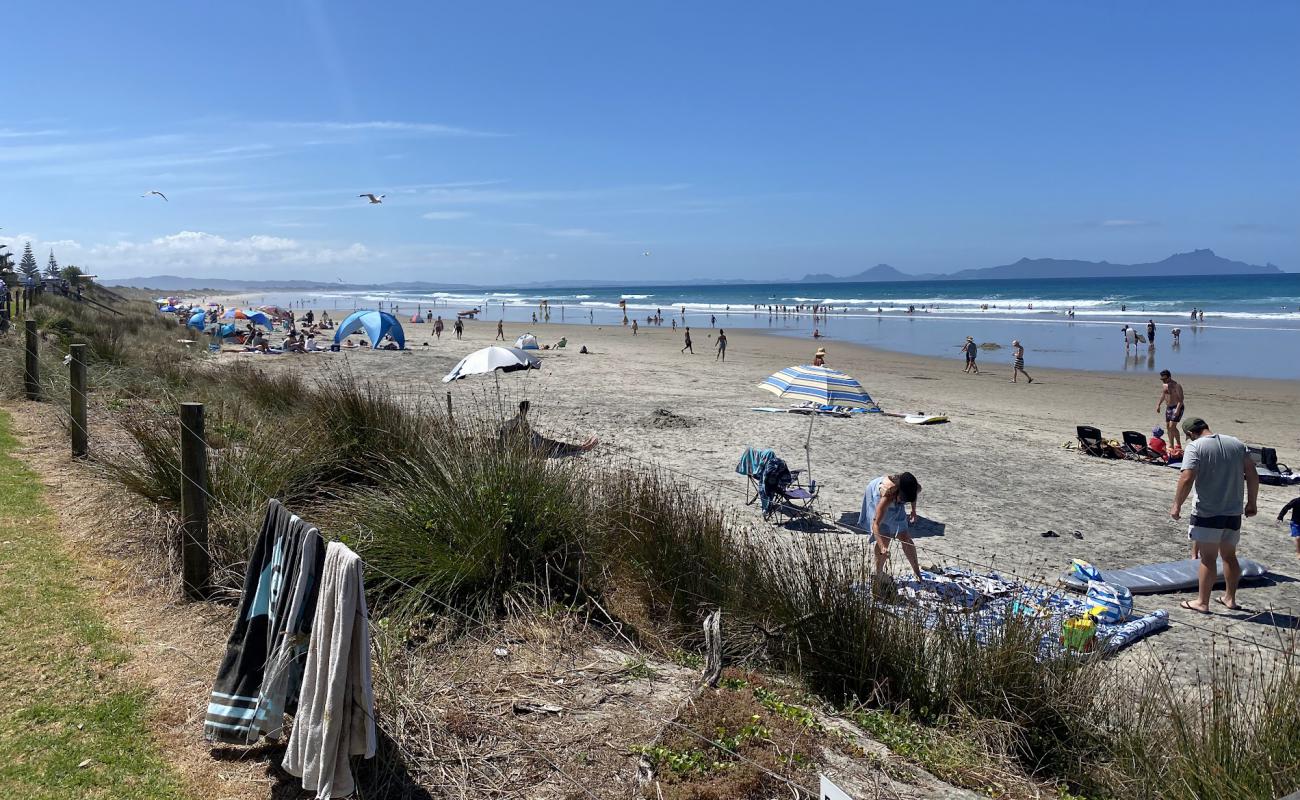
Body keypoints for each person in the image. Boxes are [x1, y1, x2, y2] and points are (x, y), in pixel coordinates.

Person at [1170, 417, 1259, 613]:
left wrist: (1177, 505)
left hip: (1208, 511)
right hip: (1233, 511)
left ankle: (1202, 602)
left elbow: (1186, 477)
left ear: (1191, 434)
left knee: (1208, 558)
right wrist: (1252, 502)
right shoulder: (1236, 443)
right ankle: (1230, 598)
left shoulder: (1196, 447)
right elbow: (1252, 473)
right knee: (1229, 556)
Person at [858, 472, 923, 580]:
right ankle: (878, 573)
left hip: (896, 497)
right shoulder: (887, 495)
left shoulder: (914, 488)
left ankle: (917, 573)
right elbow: (876, 525)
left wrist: (913, 510)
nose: (903, 502)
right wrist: (882, 547)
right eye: (903, 499)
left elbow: (913, 495)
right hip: (878, 495)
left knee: (905, 537)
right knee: (885, 536)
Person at [499, 400, 598, 457]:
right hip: (533, 447)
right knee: (557, 446)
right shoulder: (517, 422)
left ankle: (582, 447)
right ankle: (583, 447)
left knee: (555, 444)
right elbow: (526, 436)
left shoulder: (514, 421)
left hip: (533, 443)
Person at [1157, 370, 1186, 449]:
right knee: (1168, 426)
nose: (1163, 381)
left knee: (1172, 426)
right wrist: (1158, 405)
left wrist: (1177, 409)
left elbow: (1181, 399)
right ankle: (1173, 443)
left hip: (1177, 406)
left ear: (1169, 377)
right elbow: (1163, 395)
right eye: (1162, 379)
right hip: (1169, 407)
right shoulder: (1164, 385)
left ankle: (1174, 445)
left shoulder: (1176, 385)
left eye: (1165, 379)